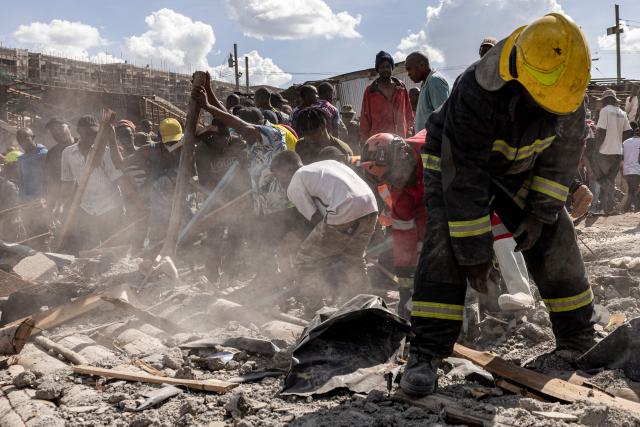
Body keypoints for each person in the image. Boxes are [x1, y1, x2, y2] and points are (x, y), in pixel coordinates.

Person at [401, 13, 597, 396]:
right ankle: (426, 352)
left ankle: (578, 337)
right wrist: (475, 252)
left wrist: (541, 214)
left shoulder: (570, 86)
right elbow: (466, 177)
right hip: (456, 164)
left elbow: (561, 159)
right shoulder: (474, 90)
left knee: (558, 234)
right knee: (445, 241)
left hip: (518, 169)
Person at [270, 150, 378, 309]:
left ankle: (315, 309)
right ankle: (365, 305)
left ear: (287, 170)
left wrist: (325, 252)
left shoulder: (295, 182)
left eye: (279, 177)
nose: (280, 183)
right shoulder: (326, 164)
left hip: (344, 210)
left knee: (305, 261)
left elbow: (317, 222)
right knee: (353, 259)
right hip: (370, 207)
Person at [361, 131, 426, 320]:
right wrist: (405, 288)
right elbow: (404, 236)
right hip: (428, 203)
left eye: (392, 176)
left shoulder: (431, 149)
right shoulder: (399, 187)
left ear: (402, 158)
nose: (394, 184)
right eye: (387, 180)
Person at [60, 115, 135, 253]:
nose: (92, 138)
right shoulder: (68, 153)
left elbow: (119, 180)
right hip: (86, 209)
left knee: (113, 251)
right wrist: (63, 207)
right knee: (89, 251)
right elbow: (67, 184)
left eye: (95, 134)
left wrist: (133, 201)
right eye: (88, 134)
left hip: (111, 208)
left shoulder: (105, 153)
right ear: (79, 132)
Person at [360, 51, 414, 145]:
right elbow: (365, 118)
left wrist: (409, 132)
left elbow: (409, 113)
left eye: (388, 66)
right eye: (382, 67)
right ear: (378, 69)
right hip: (378, 142)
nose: (385, 69)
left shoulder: (401, 88)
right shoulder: (370, 91)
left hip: (400, 140)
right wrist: (364, 141)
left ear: (392, 68)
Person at [594, 89, 632, 215]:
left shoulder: (605, 111)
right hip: (617, 152)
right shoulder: (622, 112)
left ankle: (616, 194)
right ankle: (608, 208)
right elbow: (628, 131)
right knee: (609, 179)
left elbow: (601, 131)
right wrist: (619, 142)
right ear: (614, 100)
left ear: (605, 100)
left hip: (605, 152)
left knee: (599, 177)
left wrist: (597, 149)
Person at [406, 51, 450, 133]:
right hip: (424, 142)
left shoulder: (434, 81)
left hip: (433, 143)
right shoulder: (425, 84)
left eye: (409, 69)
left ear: (422, 65)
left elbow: (444, 119)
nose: (408, 74)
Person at [44, 118, 75, 216]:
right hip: (65, 204)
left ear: (69, 127)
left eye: (60, 128)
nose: (57, 132)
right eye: (53, 131)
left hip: (92, 200)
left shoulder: (84, 144)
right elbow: (51, 182)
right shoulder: (51, 154)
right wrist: (51, 205)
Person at [15, 127, 47, 201]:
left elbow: (50, 178)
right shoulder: (21, 160)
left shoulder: (45, 154)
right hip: (28, 200)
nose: (24, 143)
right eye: (20, 141)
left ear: (33, 137)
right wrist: (22, 198)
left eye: (26, 139)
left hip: (44, 198)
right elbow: (22, 181)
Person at [622, 123, 640, 212]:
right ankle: (632, 208)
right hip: (637, 170)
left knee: (631, 189)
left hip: (626, 170)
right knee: (634, 190)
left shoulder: (625, 142)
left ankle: (628, 207)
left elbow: (622, 157)